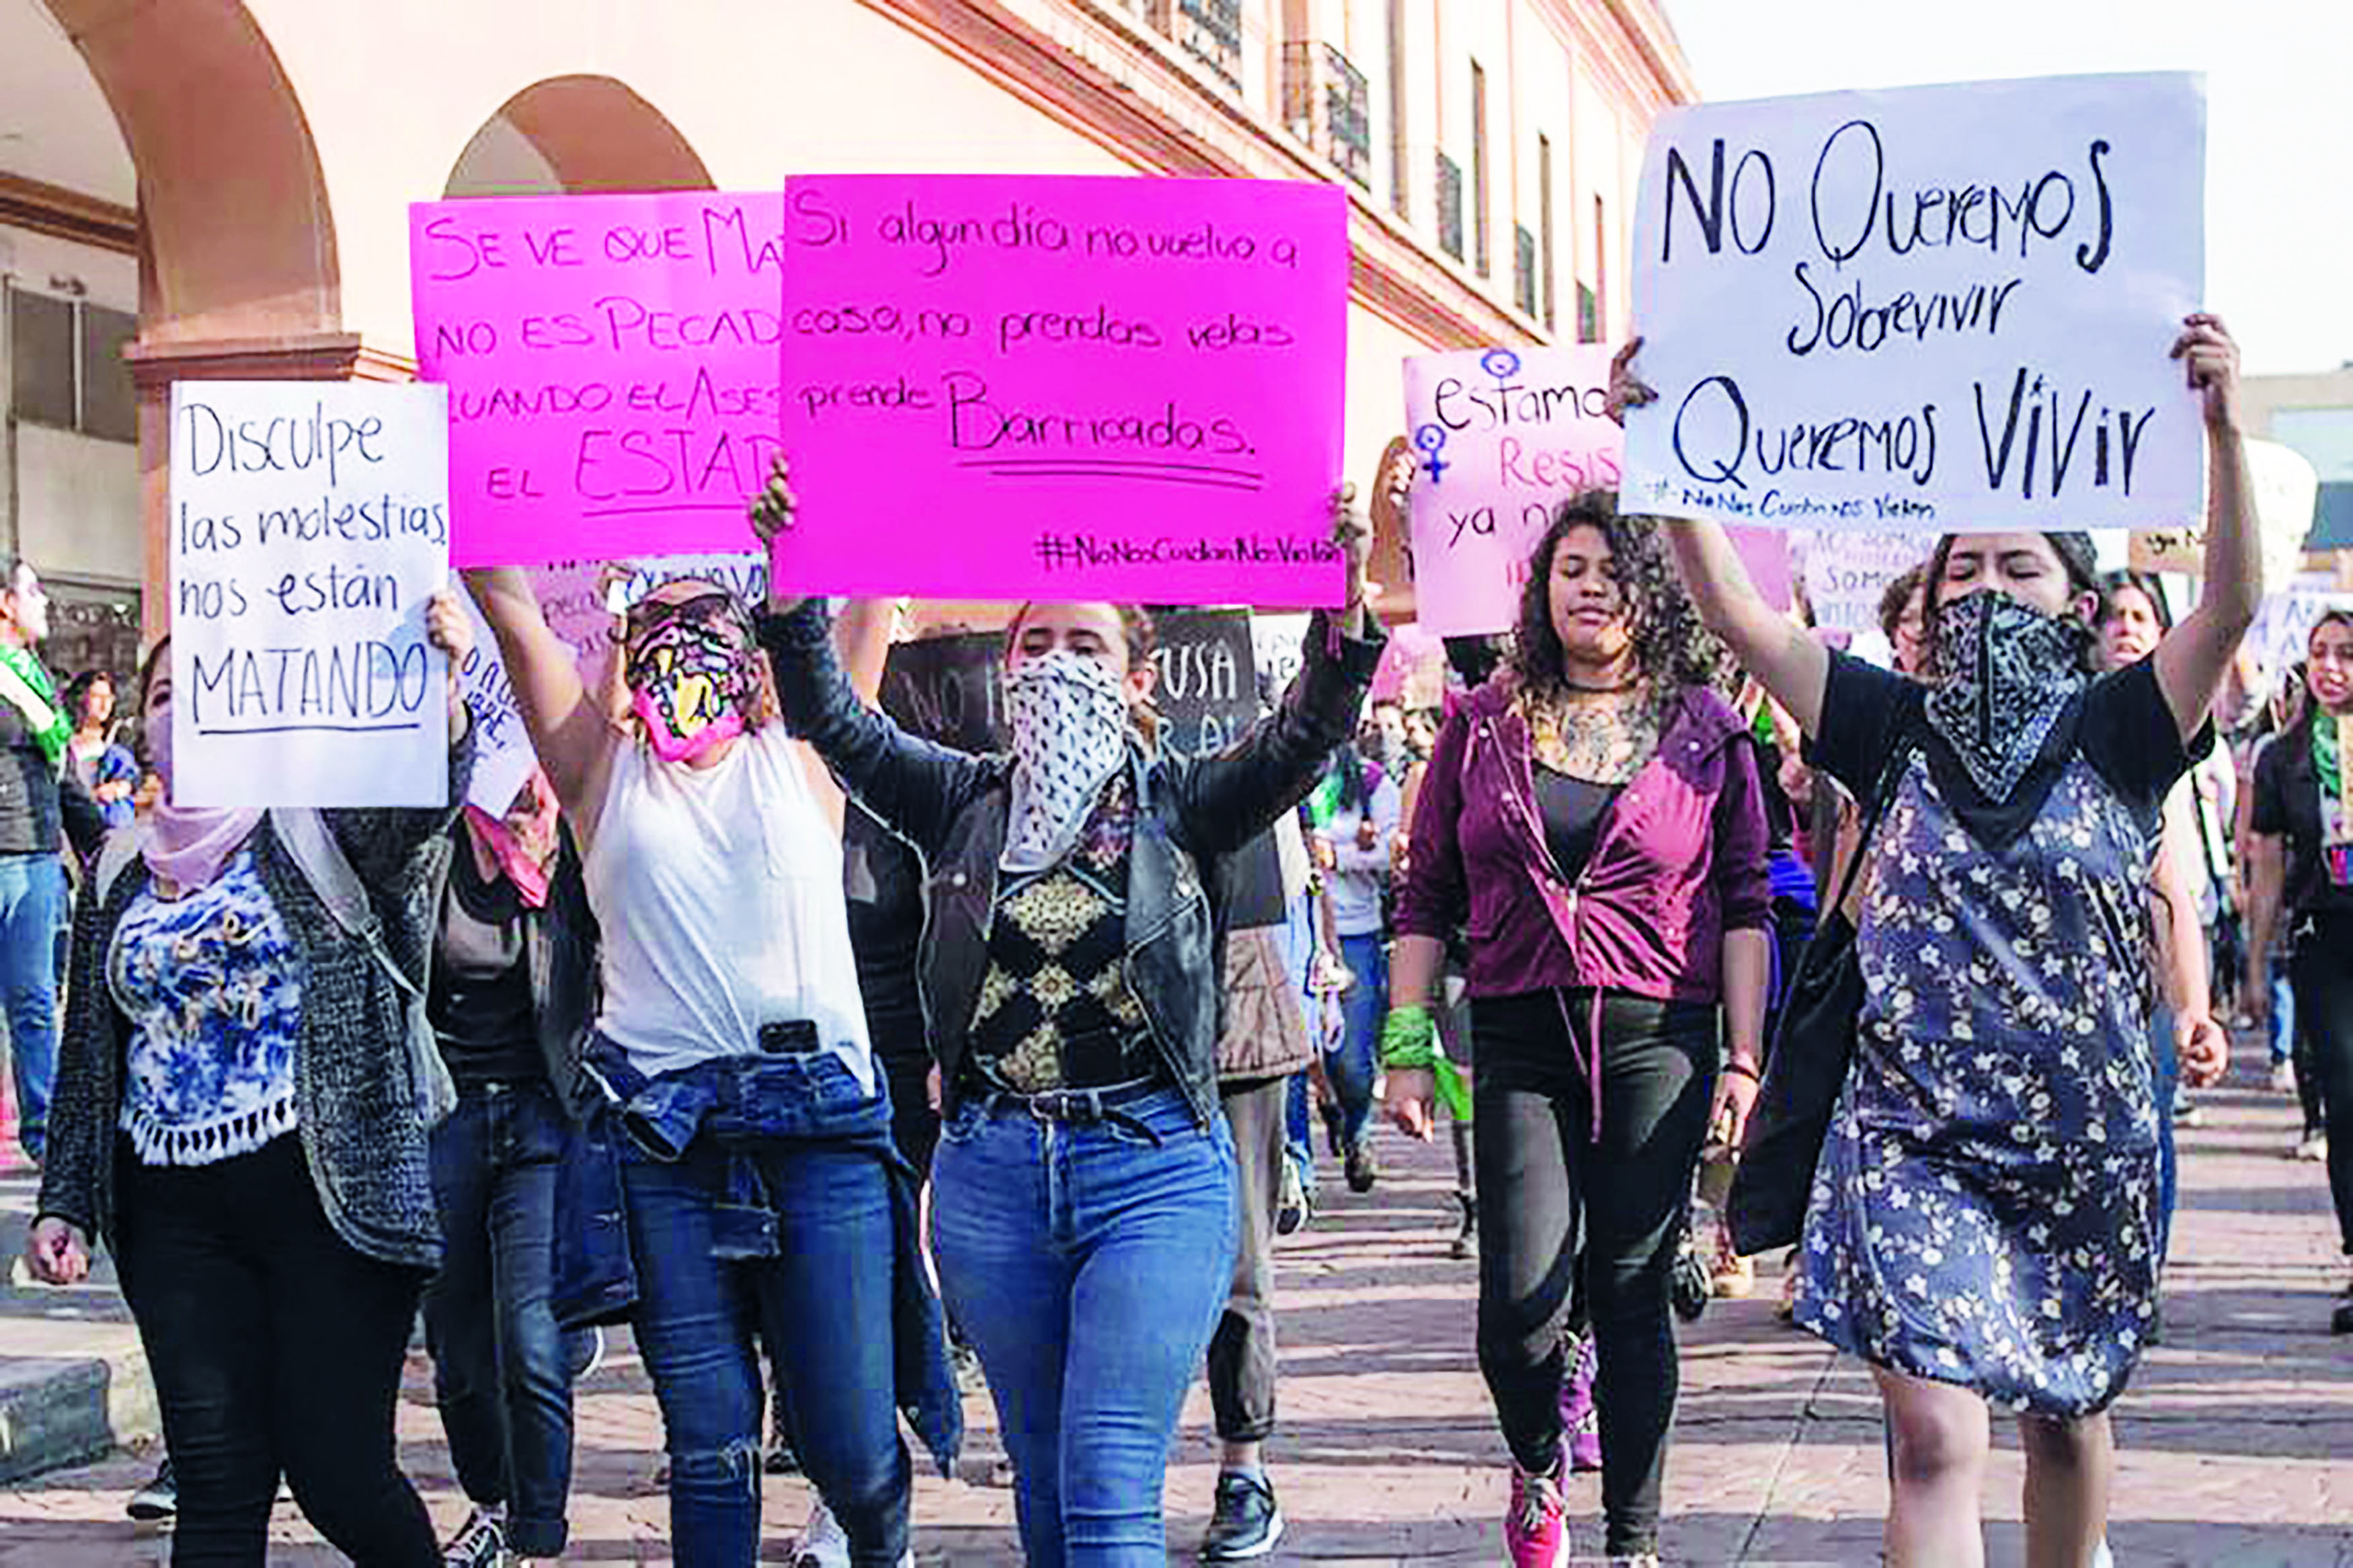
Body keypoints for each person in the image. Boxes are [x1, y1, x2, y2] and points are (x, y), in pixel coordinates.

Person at [1620, 313, 2253, 1567]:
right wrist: (1663, 458)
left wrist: (2221, 427)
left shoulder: (2125, 726)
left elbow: (2232, 601)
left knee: (2066, 1418)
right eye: (1962, 570)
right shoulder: (1882, 717)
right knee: (1932, 1442)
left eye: (2019, 570)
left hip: (2085, 1136)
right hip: (1913, 1134)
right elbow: (1743, 618)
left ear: (2078, 600)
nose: (1986, 591)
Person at [751, 457, 1381, 1567]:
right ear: (1005, 668)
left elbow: (1302, 736)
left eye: (1086, 646)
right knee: (1044, 1494)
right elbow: (836, 724)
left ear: (1138, 681)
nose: (1055, 664)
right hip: (995, 1180)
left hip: (1153, 1171)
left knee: (1103, 1483)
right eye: (1035, 643)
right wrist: (796, 585)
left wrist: (1344, 610)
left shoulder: (1185, 801)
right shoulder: (958, 798)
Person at [465, 565, 956, 1568]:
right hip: (670, 1141)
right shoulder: (598, 772)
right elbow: (509, 611)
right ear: (621, 643)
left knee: (850, 1442)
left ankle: (881, 1541)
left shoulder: (811, 752)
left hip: (822, 1133)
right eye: (654, 618)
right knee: (709, 1437)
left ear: (753, 642)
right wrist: (475, 462)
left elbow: (866, 580)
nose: (681, 634)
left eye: (706, 616)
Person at [25, 601, 477, 1565]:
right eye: (157, 696)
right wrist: (64, 1199)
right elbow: (88, 1054)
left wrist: (440, 690)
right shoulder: (115, 865)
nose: (176, 711)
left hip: (330, 1197)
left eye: (204, 689)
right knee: (219, 1480)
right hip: (172, 1209)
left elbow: (421, 804)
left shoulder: (319, 828)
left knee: (338, 1471)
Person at [1386, 493, 1773, 1568]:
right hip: (1519, 1034)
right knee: (1518, 1305)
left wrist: (1744, 1058)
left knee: (1631, 1288)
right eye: (1569, 567)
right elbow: (1426, 896)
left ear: (1650, 590)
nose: (1588, 585)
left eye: (1609, 568)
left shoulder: (1707, 729)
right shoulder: (1481, 723)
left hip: (1662, 1034)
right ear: (1539, 588)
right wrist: (1406, 1043)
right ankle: (1539, 1455)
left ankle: (1633, 1542)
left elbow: (1744, 901)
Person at [424, 767, 602, 1568]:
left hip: (542, 1114)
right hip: (448, 1116)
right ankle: (492, 1503)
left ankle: (536, 1536)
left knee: (530, 1339)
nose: (522, 788)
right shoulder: (429, 847)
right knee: (460, 1361)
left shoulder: (576, 844)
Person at [2098, 571, 2227, 1264]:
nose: (2123, 628)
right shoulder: (2071, 719)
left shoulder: (2165, 731)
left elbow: (2168, 884)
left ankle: (2140, 1269)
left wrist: (2192, 1002)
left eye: (2139, 616)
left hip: (2146, 971)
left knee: (2146, 1125)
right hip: (2073, 977)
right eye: (2112, 615)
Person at [1201, 814, 1318, 1563]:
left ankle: (1243, 1468)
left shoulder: (1229, 716)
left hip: (1233, 1001)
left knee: (1239, 1259)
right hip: (1095, 1003)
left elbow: (1282, 865)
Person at [2247, 610, 2353, 1331]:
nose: (2330, 667)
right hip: (2322, 937)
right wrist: (2254, 962)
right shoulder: (2279, 757)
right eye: (2318, 652)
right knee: (2344, 1093)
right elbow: (2265, 864)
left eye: (2346, 653)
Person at [0, 559, 106, 1165]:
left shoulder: (38, 681)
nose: (45, 600)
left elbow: (62, 776)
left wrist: (99, 847)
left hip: (36, 859)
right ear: (6, 604)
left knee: (36, 1005)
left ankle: (47, 1143)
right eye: (33, 589)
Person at [1305, 739, 1400, 1192]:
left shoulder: (1372, 781)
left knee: (1351, 1063)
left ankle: (1356, 1128)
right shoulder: (1282, 771)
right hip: (1298, 932)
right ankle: (1296, 1170)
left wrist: (1338, 856)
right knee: (1297, 1057)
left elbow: (1392, 851)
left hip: (1356, 933)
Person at [65, 671, 139, 832]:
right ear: (80, 698)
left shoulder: (119, 739)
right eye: (97, 697)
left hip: (111, 829)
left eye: (109, 698)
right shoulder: (63, 740)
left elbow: (136, 780)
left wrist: (120, 788)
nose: (105, 705)